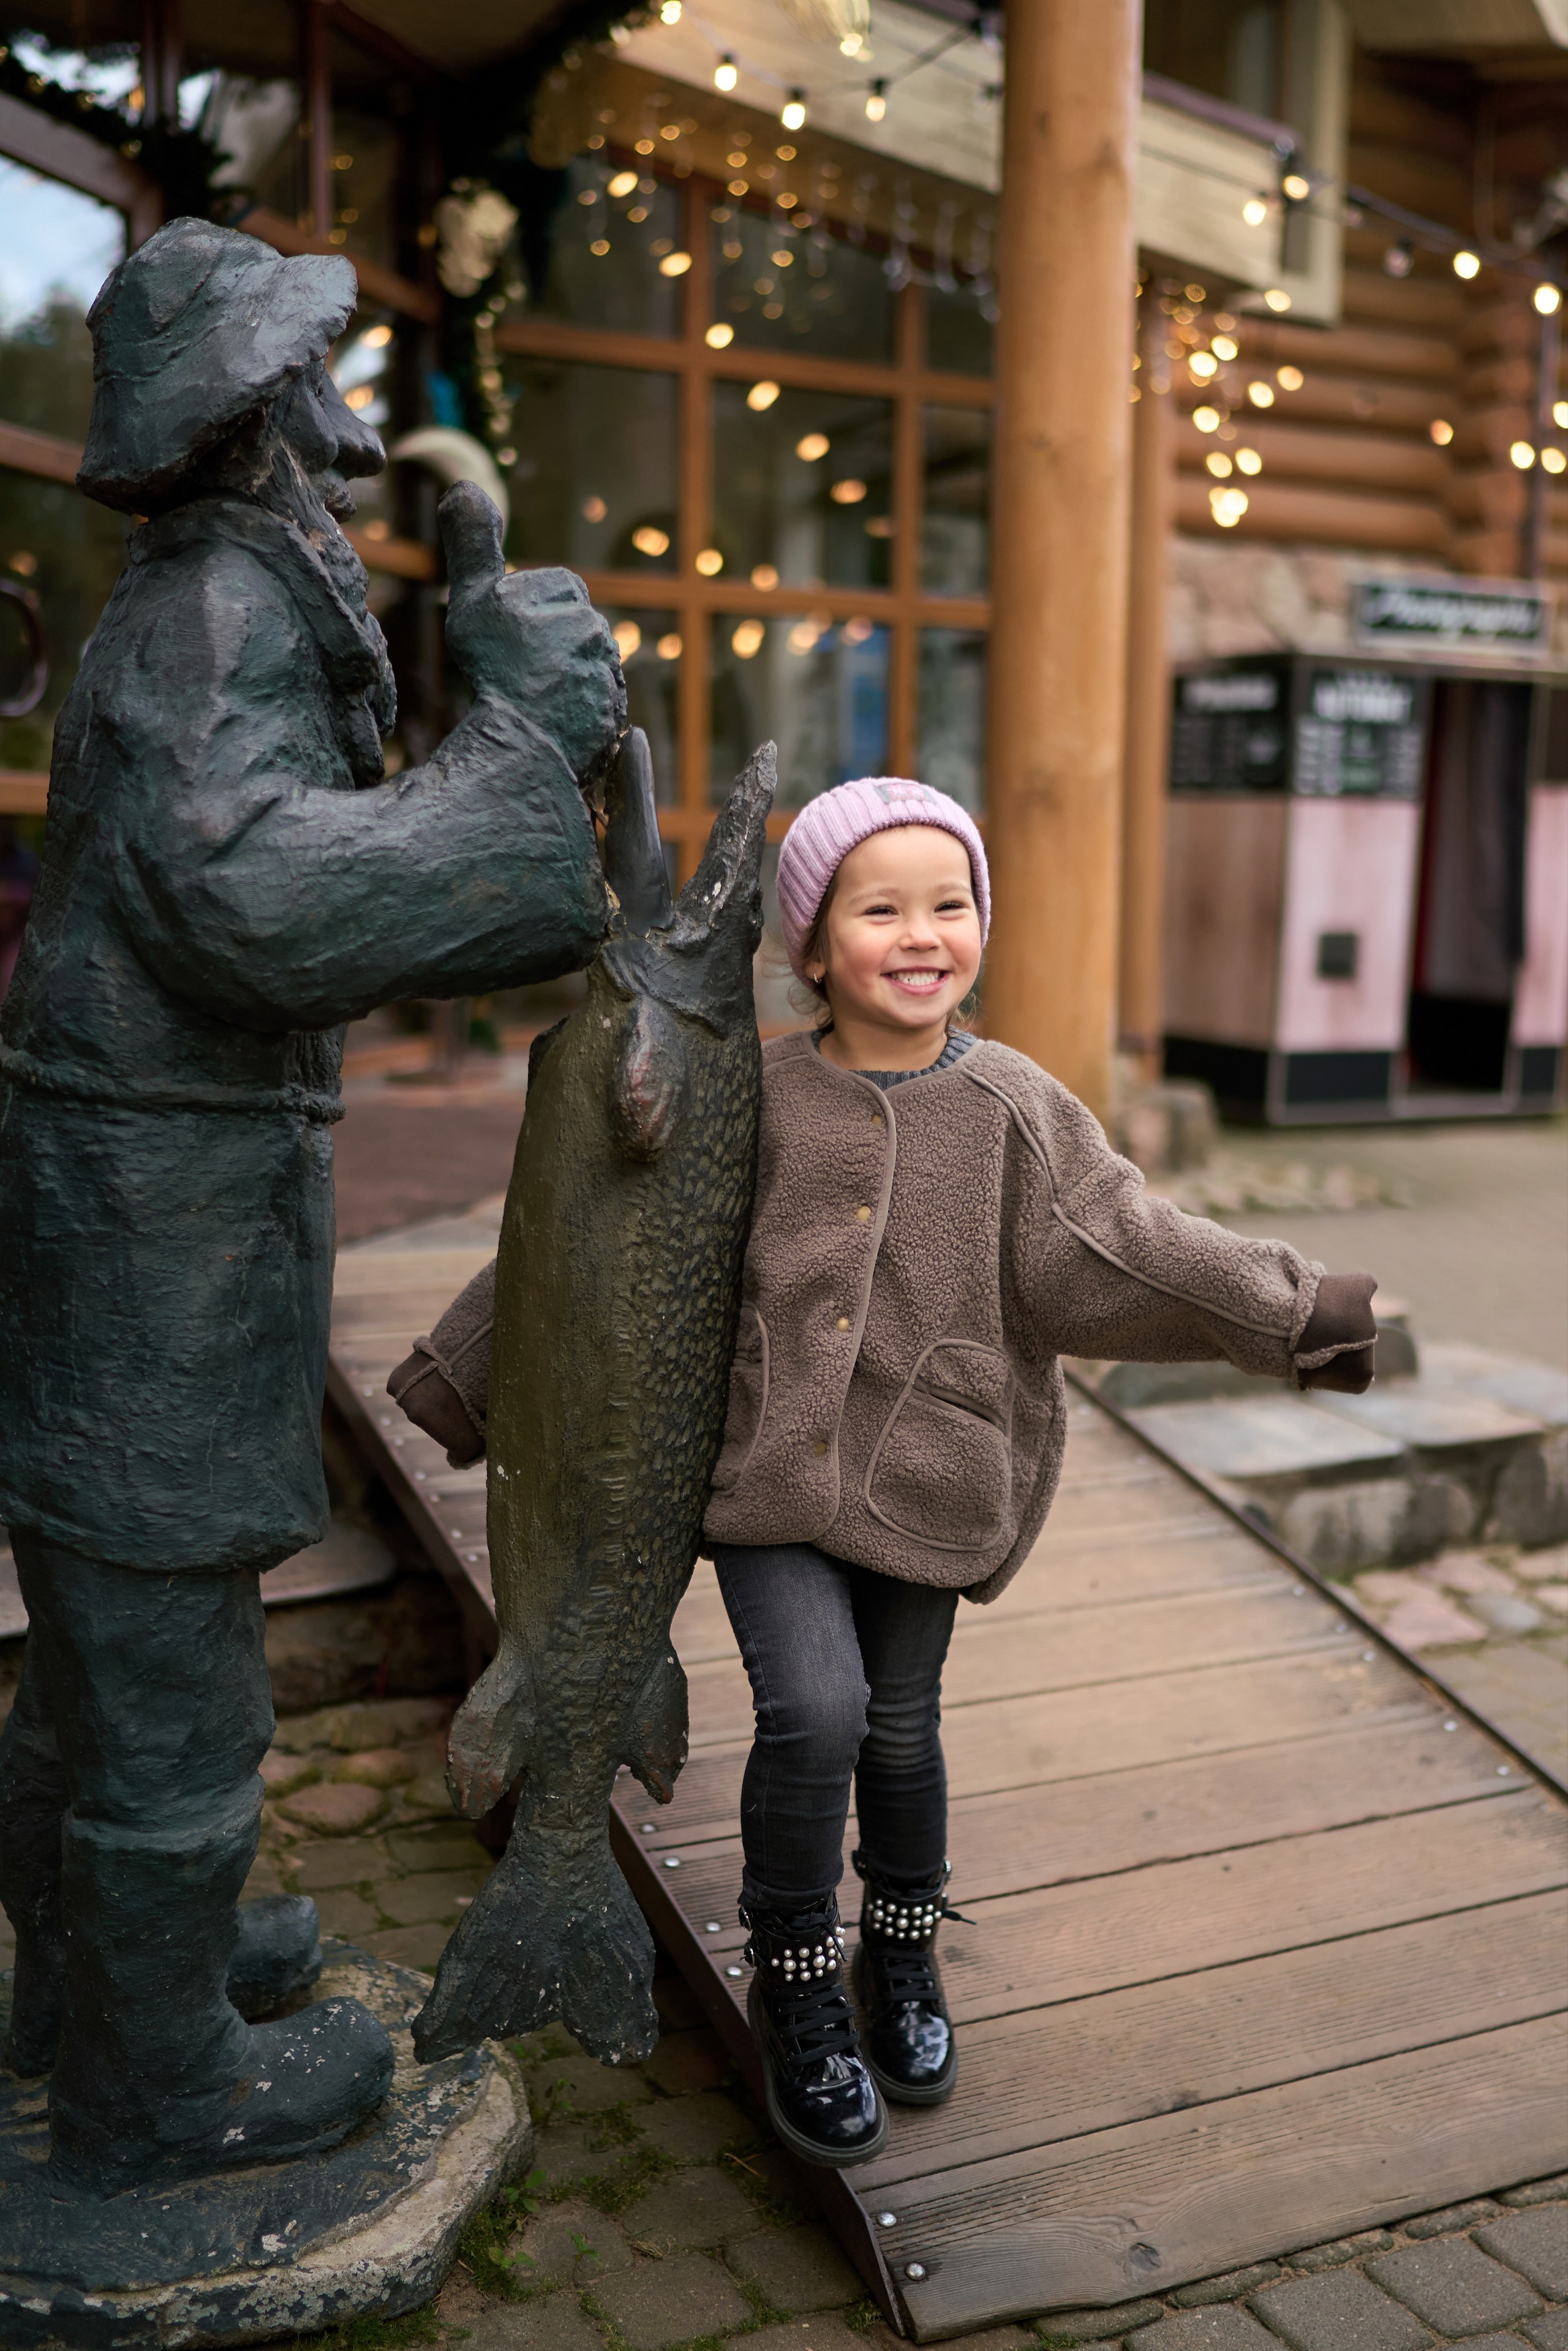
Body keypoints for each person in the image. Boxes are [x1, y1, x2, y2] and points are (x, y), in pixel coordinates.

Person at [394, 774, 1377, 2173]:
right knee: (818, 1710)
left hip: (933, 1471)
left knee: (900, 1727)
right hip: (763, 1482)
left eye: (951, 902)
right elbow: (601, 1237)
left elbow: (1127, 1245)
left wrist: (1296, 1312)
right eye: (881, 908)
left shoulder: (1014, 1108)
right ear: (810, 945)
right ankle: (794, 1966)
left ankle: (900, 1948)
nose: (923, 932)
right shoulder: (749, 1086)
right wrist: (459, 1375)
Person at [0, 219, 624, 2192]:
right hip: (149, 1211)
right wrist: (522, 743)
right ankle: (156, 2081)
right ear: (264, 413)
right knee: (165, 1641)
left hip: (161, 1183)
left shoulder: (228, 589)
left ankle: (100, 1972)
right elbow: (251, 891)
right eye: (317, 375)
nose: (353, 420)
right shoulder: (214, 609)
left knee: (120, 1634)